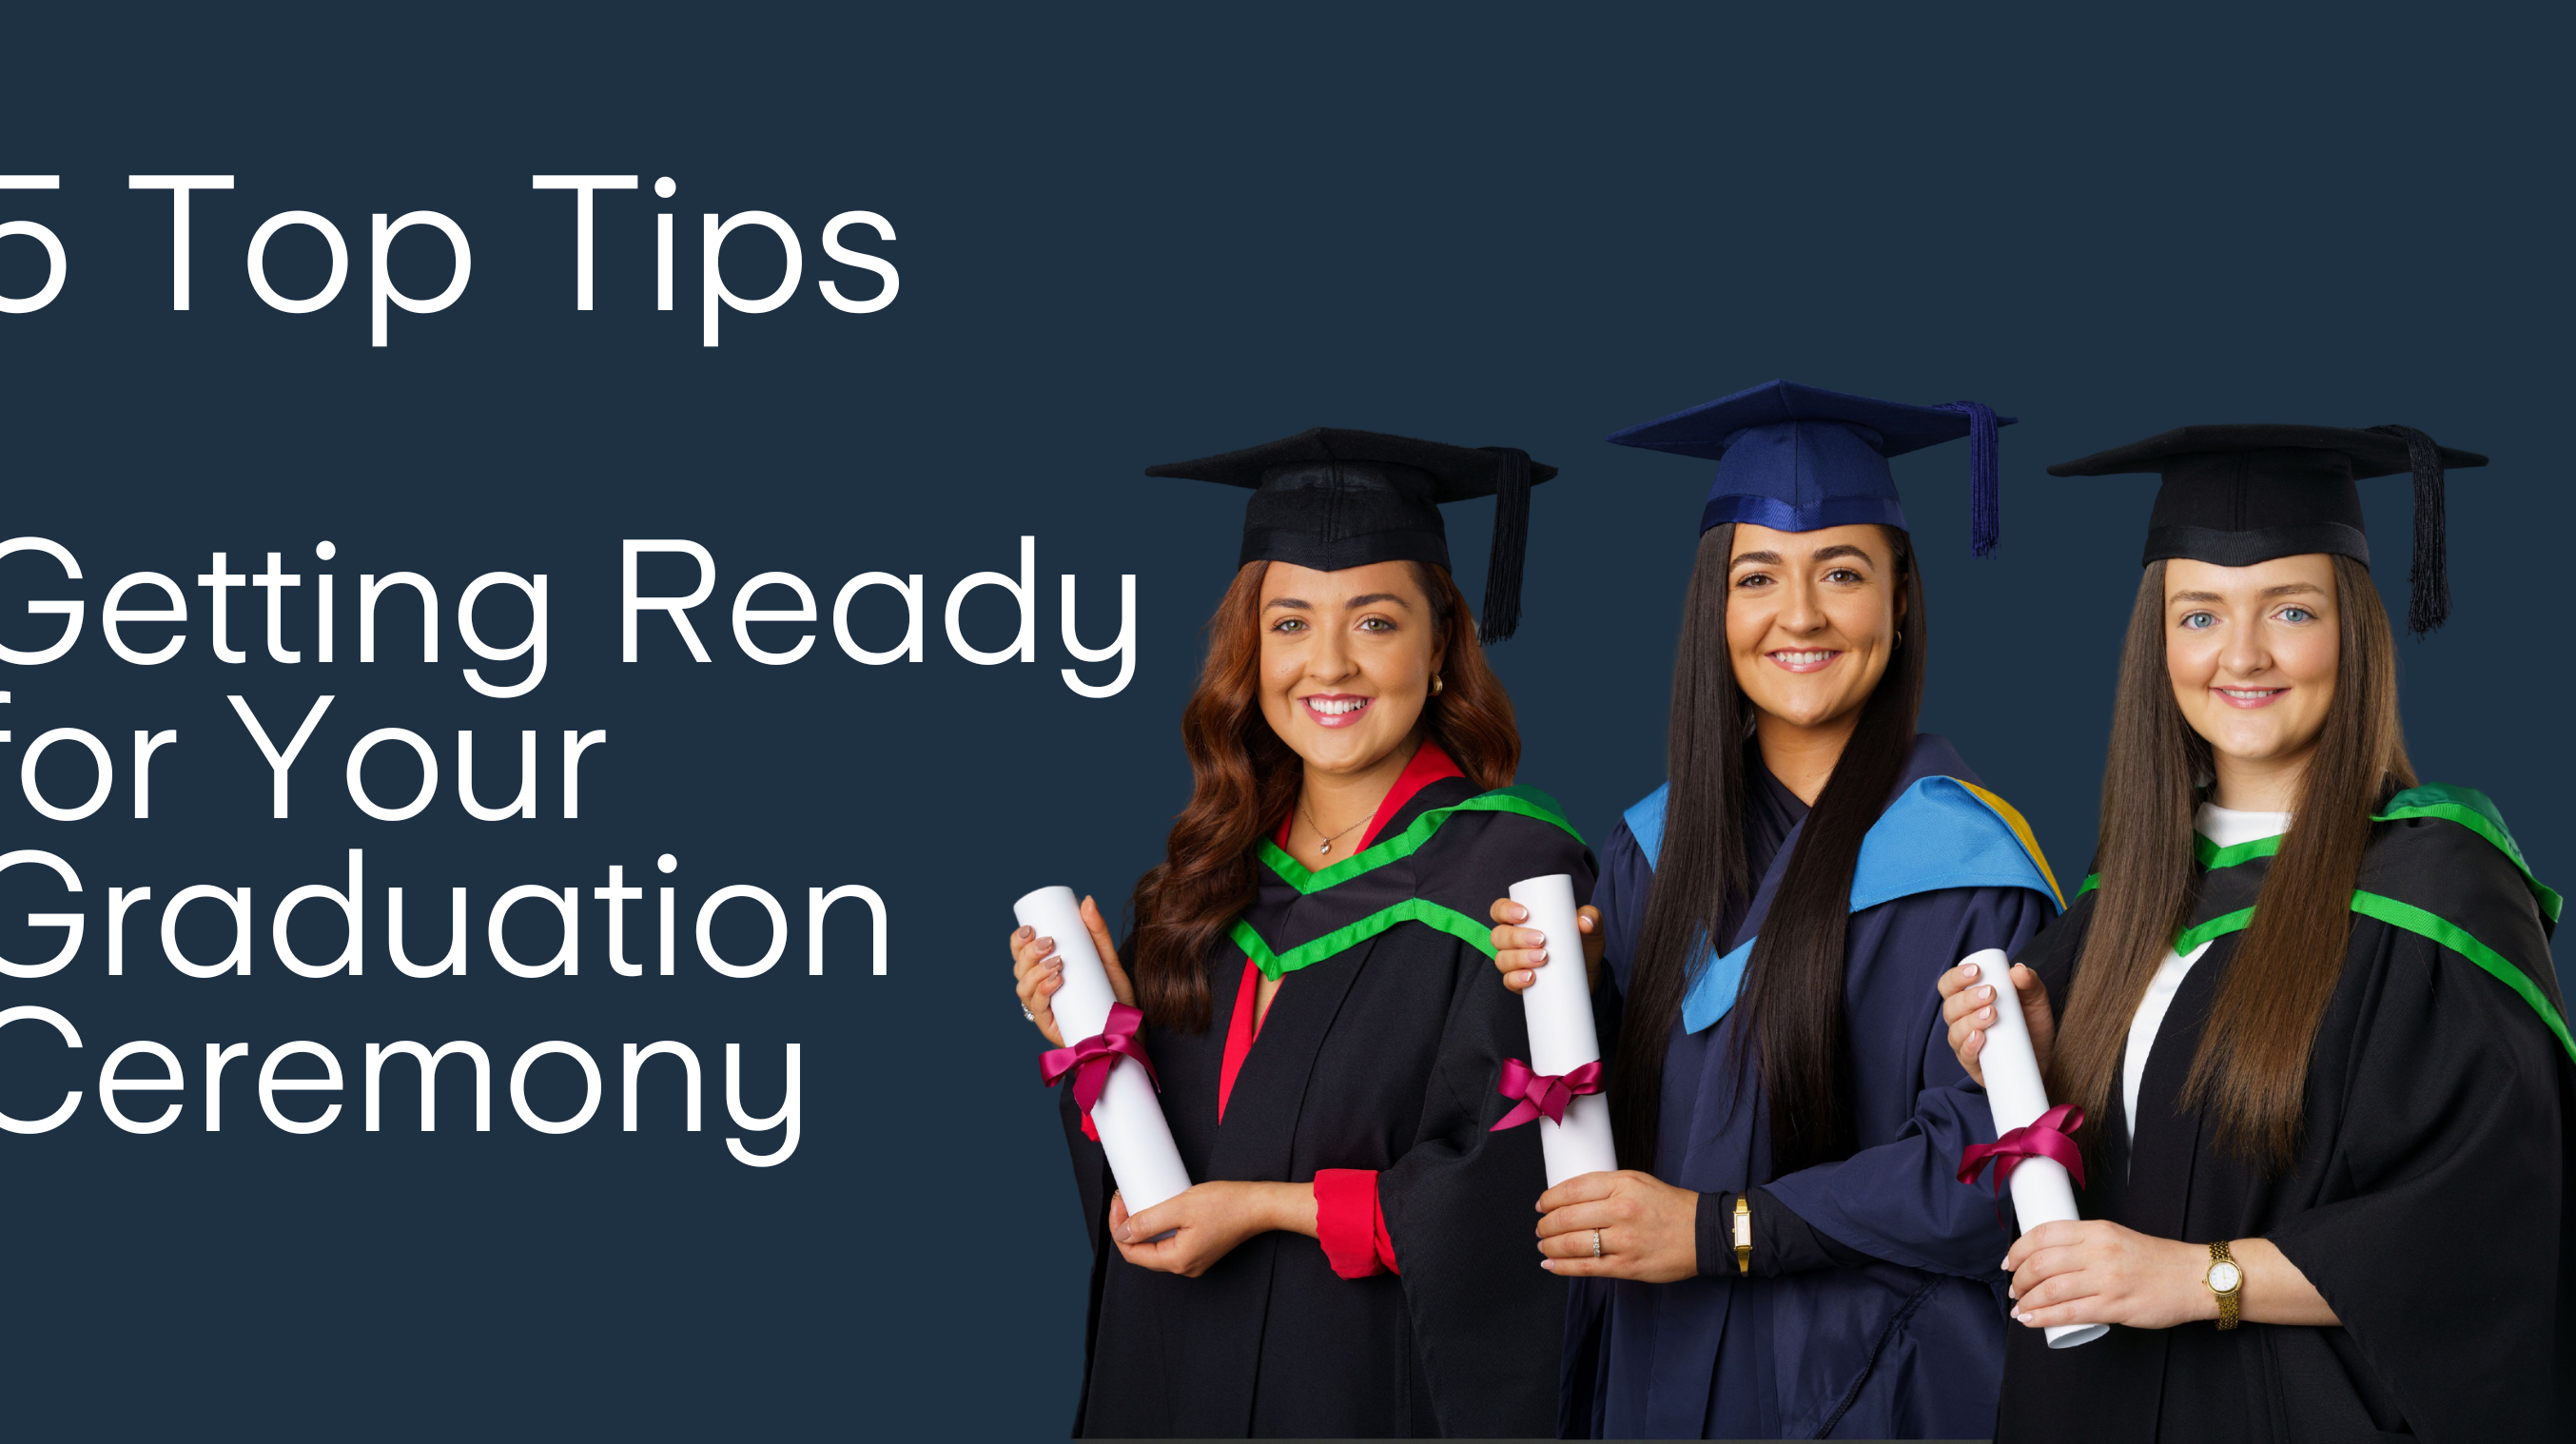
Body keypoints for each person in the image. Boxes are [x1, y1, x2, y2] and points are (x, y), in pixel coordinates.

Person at [1940, 422, 2572, 1441]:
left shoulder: (2441, 890)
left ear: (2353, 631)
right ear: (2159, 644)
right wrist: (2048, 1070)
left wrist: (2200, 1279)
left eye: (2290, 608)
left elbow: (2489, 1227)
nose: (2242, 655)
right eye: (2199, 615)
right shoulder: (2127, 896)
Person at [1491, 380, 2068, 1437]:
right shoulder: (1646, 853)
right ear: (1717, 606)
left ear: (1900, 600)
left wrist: (1723, 1232)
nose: (1798, 616)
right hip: (1661, 1370)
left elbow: (1985, 1166)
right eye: (1759, 577)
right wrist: (1572, 1009)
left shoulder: (1968, 863)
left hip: (1873, 1385)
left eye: (1842, 573)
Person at [1009, 428, 1595, 1437]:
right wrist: (1096, 1048)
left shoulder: (1510, 881)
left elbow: (1527, 1194)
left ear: (1442, 644)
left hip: (1362, 1392)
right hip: (1167, 1381)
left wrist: (1272, 1209)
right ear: (1252, 649)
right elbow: (1152, 1189)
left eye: (1375, 620)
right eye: (1290, 623)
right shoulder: (1202, 877)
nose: (1329, 663)